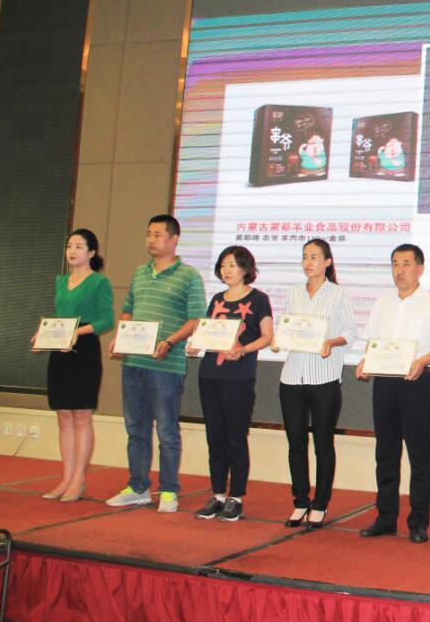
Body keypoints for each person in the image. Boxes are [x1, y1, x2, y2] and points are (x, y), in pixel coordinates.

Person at [106, 215, 206, 514]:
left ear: (174, 239)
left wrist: (170, 342)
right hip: (133, 362)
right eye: (148, 234)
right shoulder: (140, 273)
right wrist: (120, 337)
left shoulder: (189, 275)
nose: (151, 239)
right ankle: (138, 487)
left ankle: (168, 490)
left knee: (166, 429)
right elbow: (128, 310)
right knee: (135, 428)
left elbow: (196, 318)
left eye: (158, 234)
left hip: (167, 366)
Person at [356, 244, 430, 544]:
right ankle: (385, 518)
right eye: (395, 264)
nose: (400, 270)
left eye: (406, 264)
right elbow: (372, 342)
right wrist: (365, 361)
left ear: (420, 268)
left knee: (419, 454)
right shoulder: (382, 302)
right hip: (384, 383)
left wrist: (421, 362)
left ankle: (418, 522)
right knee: (385, 453)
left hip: (416, 382)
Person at [180, 246, 273, 522]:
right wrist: (195, 344)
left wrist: (243, 350)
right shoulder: (217, 299)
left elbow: (267, 336)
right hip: (210, 374)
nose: (226, 270)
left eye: (232, 265)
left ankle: (237, 498)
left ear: (246, 268)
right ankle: (218, 494)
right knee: (215, 437)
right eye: (223, 265)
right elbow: (208, 332)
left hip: (239, 377)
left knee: (236, 437)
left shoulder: (259, 299)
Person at [275, 238, 358, 530]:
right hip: (292, 377)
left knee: (323, 442)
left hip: (324, 378)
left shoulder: (338, 294)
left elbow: (351, 332)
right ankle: (300, 501)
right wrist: (278, 340)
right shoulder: (293, 293)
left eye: (314, 257)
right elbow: (287, 328)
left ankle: (320, 504)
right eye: (304, 257)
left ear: (327, 262)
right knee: (295, 442)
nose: (308, 262)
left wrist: (330, 342)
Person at [34, 229, 114, 503]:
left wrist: (76, 332)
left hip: (84, 350)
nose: (72, 251)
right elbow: (59, 318)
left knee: (81, 415)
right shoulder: (61, 280)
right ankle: (66, 478)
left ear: (91, 252)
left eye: (79, 246)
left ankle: (78, 480)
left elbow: (106, 321)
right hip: (61, 351)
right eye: (70, 245)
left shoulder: (99, 282)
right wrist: (43, 335)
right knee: (63, 416)